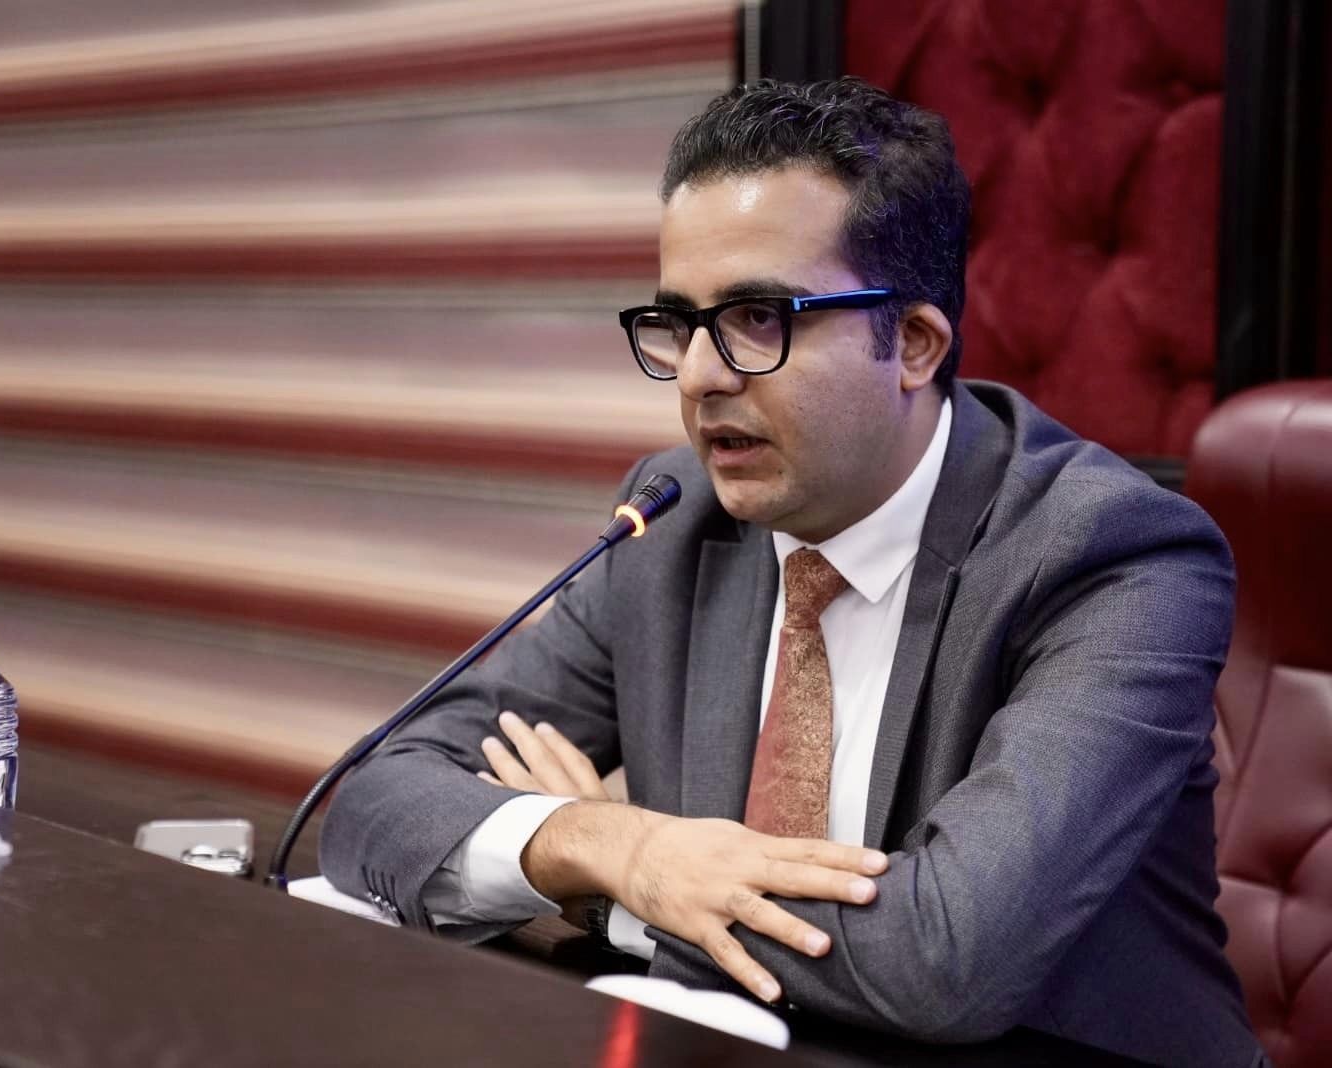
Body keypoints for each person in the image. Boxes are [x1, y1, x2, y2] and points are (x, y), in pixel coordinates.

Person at [321, 77, 1263, 1068]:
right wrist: (618, 847)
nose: (700, 376)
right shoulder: (675, 522)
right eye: (678, 324)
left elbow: (945, 960)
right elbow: (379, 796)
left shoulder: (1116, 559)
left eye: (758, 318)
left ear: (912, 344)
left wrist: (625, 891)